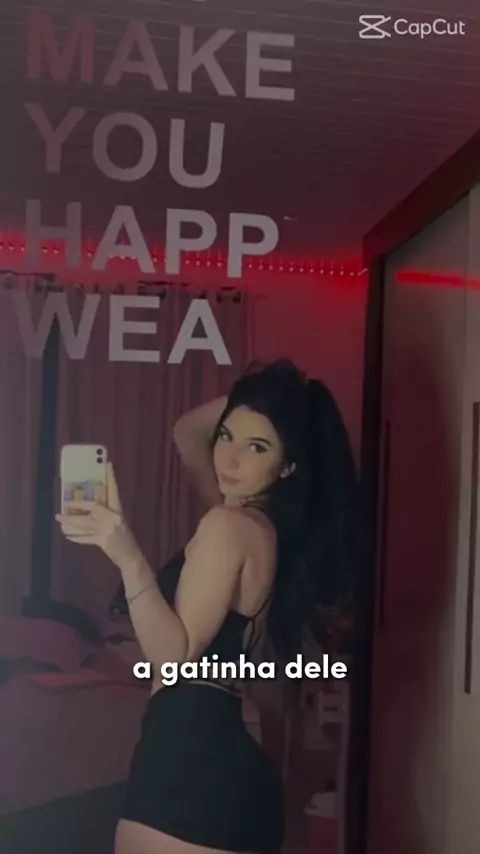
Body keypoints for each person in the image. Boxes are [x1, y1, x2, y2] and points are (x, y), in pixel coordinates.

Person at [55, 359, 360, 854]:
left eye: (257, 447)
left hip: (188, 771)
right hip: (220, 770)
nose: (230, 458)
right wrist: (266, 399)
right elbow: (187, 431)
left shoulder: (227, 527)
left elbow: (173, 660)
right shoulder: (263, 530)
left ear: (288, 465)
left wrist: (126, 554)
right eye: (226, 436)